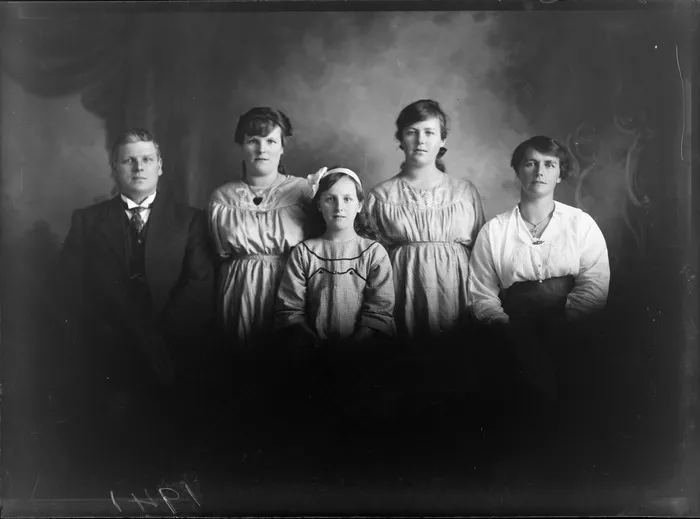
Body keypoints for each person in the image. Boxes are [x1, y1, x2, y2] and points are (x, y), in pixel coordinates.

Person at [58, 128, 215, 482]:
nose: (138, 167)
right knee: (113, 439)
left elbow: (199, 284)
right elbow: (69, 286)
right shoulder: (87, 221)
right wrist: (107, 331)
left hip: (169, 349)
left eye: (147, 160)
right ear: (114, 168)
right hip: (109, 349)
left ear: (161, 166)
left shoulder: (190, 220)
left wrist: (156, 337)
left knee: (167, 439)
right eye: (128, 160)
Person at [468, 135, 610, 443]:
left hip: (571, 328)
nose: (539, 172)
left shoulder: (580, 224)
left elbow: (594, 283)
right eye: (530, 163)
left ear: (560, 173)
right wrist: (502, 324)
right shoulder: (495, 231)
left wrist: (568, 320)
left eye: (549, 164)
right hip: (514, 331)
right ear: (518, 171)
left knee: (574, 400)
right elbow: (481, 291)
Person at [275, 167, 395, 447]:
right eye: (330, 199)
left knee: (359, 425)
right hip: (313, 353)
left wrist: (354, 345)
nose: (339, 207)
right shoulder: (305, 252)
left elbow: (380, 308)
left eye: (347, 199)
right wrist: (314, 342)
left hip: (362, 353)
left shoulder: (373, 252)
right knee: (316, 422)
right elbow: (289, 308)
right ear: (318, 204)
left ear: (360, 205)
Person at [365, 99, 485, 344]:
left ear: (442, 140)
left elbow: (483, 256)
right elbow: (369, 262)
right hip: (403, 294)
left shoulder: (464, 192)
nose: (420, 140)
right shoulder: (380, 196)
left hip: (456, 296)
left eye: (429, 132)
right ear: (400, 139)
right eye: (412, 132)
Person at [208, 107, 313, 348]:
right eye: (253, 141)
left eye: (270, 141)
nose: (262, 149)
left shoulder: (304, 191)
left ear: (282, 147)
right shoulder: (222, 198)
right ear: (241, 147)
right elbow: (217, 255)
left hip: (290, 290)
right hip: (238, 293)